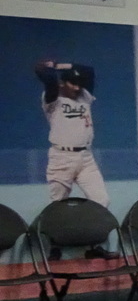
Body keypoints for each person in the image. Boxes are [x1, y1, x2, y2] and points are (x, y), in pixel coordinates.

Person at [35, 58, 109, 206]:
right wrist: (49, 69)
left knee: (102, 201)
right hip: (62, 158)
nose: (77, 87)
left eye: (79, 84)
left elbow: (89, 71)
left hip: (86, 158)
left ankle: (86, 229)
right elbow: (49, 79)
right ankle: (51, 229)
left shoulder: (84, 97)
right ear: (61, 83)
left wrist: (58, 66)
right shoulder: (53, 100)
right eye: (72, 83)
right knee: (57, 204)